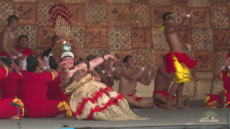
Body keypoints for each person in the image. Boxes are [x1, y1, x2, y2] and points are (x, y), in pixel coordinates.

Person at [161, 11, 198, 109]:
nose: (173, 21)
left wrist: (184, 19)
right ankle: (168, 103)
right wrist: (187, 16)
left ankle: (178, 103)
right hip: (176, 57)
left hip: (180, 56)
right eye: (170, 20)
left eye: (173, 19)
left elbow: (185, 26)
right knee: (178, 81)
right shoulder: (169, 29)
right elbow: (184, 24)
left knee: (182, 80)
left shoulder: (171, 29)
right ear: (165, 22)